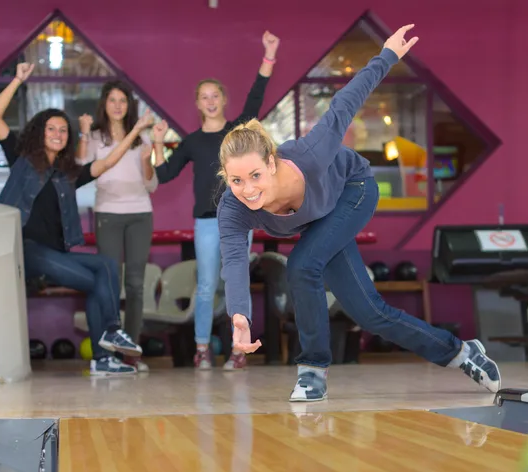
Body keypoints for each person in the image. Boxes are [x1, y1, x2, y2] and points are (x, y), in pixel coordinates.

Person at [215, 25, 502, 402]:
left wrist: (387, 55)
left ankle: (312, 369)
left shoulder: (310, 155)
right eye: (236, 180)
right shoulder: (233, 208)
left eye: (254, 176)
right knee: (370, 313)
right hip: (319, 218)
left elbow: (344, 104)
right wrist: (240, 317)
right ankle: (462, 352)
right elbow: (234, 261)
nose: (247, 189)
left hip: (354, 189)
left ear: (271, 163)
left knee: (302, 265)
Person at [0, 62, 149, 376]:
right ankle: (106, 348)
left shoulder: (67, 174)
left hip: (56, 253)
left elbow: (107, 163)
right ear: (40, 131)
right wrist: (18, 80)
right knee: (99, 282)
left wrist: (135, 132)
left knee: (105, 267)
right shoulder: (21, 158)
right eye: (52, 128)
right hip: (25, 250)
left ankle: (108, 343)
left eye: (63, 130)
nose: (58, 134)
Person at [151, 30, 279, 371]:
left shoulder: (238, 131)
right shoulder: (191, 142)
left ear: (223, 99)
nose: (210, 101)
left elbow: (256, 97)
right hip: (207, 221)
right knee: (206, 286)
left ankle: (239, 350)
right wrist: (158, 143)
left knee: (237, 284)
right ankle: (203, 348)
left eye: (215, 95)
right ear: (197, 104)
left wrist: (268, 55)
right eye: (203, 97)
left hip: (239, 219)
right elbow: (163, 175)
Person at [77, 80, 159, 372]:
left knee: (135, 285)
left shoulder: (141, 138)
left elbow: (151, 184)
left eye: (122, 100)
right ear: (104, 104)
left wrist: (148, 161)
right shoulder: (96, 137)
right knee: (109, 284)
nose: (117, 105)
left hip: (140, 214)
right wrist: (84, 135)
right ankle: (105, 354)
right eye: (112, 100)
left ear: (129, 105)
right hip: (108, 215)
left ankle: (131, 352)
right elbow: (81, 168)